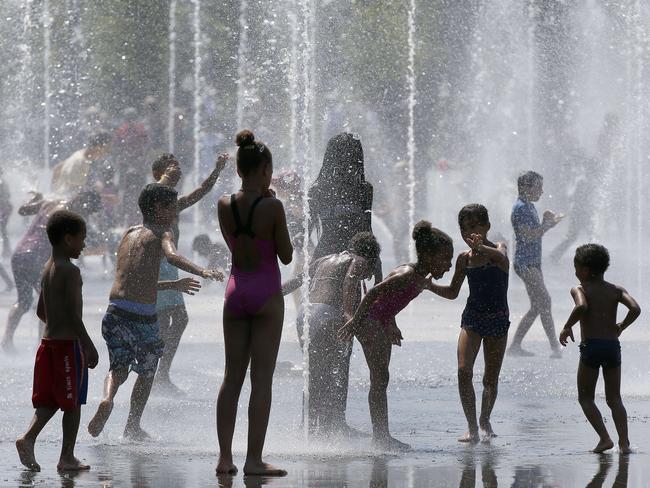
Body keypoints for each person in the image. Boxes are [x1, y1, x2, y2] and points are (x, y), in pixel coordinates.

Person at [87, 183, 222, 440]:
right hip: (142, 318)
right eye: (173, 207)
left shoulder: (128, 234)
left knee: (118, 367)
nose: (176, 212)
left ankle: (107, 399)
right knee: (148, 371)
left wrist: (173, 284)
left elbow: (134, 280)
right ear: (159, 208)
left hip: (114, 312)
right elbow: (172, 257)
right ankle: (133, 426)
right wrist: (203, 271)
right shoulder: (163, 234)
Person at [216, 130, 292, 476]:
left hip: (235, 292)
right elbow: (287, 256)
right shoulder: (273, 206)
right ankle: (253, 461)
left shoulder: (224, 204)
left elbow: (235, 245)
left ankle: (224, 459)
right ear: (263, 169)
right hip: (265, 293)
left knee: (232, 377)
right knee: (261, 381)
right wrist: (276, 210)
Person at [339, 221, 453, 450]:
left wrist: (391, 322)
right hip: (369, 321)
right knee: (379, 378)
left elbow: (389, 301)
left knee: (381, 378)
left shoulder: (421, 277)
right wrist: (354, 320)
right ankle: (380, 437)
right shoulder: (408, 274)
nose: (449, 265)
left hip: (379, 321)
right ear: (429, 256)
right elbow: (373, 293)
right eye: (446, 259)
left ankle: (381, 435)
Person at [15, 210, 99, 472]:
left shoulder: (48, 267)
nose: (84, 244)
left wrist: (56, 323)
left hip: (47, 345)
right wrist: (88, 344)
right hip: (66, 347)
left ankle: (28, 438)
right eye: (81, 238)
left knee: (51, 399)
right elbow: (74, 315)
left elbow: (42, 311)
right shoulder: (70, 271)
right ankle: (67, 457)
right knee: (72, 404)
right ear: (67, 239)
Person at [282, 232, 381, 436]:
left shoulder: (323, 259)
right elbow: (349, 282)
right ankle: (328, 429)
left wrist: (268, 294)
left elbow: (297, 281)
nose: (369, 274)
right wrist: (348, 314)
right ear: (370, 255)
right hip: (328, 316)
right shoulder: (359, 261)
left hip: (305, 315)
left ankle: (309, 427)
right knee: (329, 373)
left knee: (314, 374)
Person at [429, 204, 510, 443]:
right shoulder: (464, 259)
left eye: (475, 227)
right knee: (464, 371)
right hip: (472, 318)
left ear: (487, 226)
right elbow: (454, 292)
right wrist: (430, 286)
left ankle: (485, 421)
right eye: (465, 229)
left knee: (490, 379)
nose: (470, 233)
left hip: (497, 318)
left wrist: (481, 247)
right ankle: (472, 426)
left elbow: (502, 258)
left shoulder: (498, 248)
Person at [151, 152, 227, 394]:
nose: (177, 169)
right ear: (159, 174)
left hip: (169, 265)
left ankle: (159, 375)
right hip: (157, 263)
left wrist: (217, 169)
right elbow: (152, 192)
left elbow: (202, 191)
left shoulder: (174, 204)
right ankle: (155, 377)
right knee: (165, 321)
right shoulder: (152, 199)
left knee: (176, 320)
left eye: (178, 165)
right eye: (171, 167)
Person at [559, 244, 640, 454]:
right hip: (612, 347)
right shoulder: (616, 290)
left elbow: (581, 306)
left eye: (576, 268)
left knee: (585, 398)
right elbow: (635, 308)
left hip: (591, 347)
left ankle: (605, 439)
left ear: (585, 270)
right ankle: (624, 444)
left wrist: (567, 326)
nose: (575, 272)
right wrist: (621, 326)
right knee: (615, 399)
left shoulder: (580, 289)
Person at [1, 190, 102, 351]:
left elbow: (23, 211)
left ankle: (7, 341)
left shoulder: (51, 201)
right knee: (48, 303)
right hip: (36, 258)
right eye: (88, 210)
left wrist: (37, 199)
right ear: (84, 203)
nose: (87, 215)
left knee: (23, 301)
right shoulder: (68, 215)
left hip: (19, 254)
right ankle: (42, 344)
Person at [309, 133, 381, 281]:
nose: (345, 162)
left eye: (349, 158)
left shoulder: (364, 189)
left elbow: (367, 230)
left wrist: (375, 261)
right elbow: (305, 232)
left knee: (329, 299)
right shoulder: (317, 190)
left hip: (343, 258)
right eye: (342, 157)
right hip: (342, 259)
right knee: (347, 300)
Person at [508, 171, 564, 358]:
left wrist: (548, 223)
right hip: (525, 263)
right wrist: (548, 224)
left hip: (532, 261)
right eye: (538, 187)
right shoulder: (521, 208)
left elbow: (533, 232)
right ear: (525, 187)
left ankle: (515, 346)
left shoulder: (529, 206)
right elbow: (528, 236)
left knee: (537, 305)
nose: (542, 191)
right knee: (545, 301)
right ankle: (555, 347)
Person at [51, 132, 113, 197]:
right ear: (98, 147)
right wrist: (104, 197)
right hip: (65, 200)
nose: (108, 152)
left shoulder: (78, 154)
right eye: (107, 148)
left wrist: (55, 190)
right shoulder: (81, 162)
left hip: (61, 196)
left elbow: (57, 168)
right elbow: (76, 192)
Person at [0, 166, 12, 258]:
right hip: (5, 208)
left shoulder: (2, 183)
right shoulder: (3, 182)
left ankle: (7, 250)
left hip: (3, 208)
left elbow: (6, 196)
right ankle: (6, 250)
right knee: (3, 230)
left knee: (3, 230)